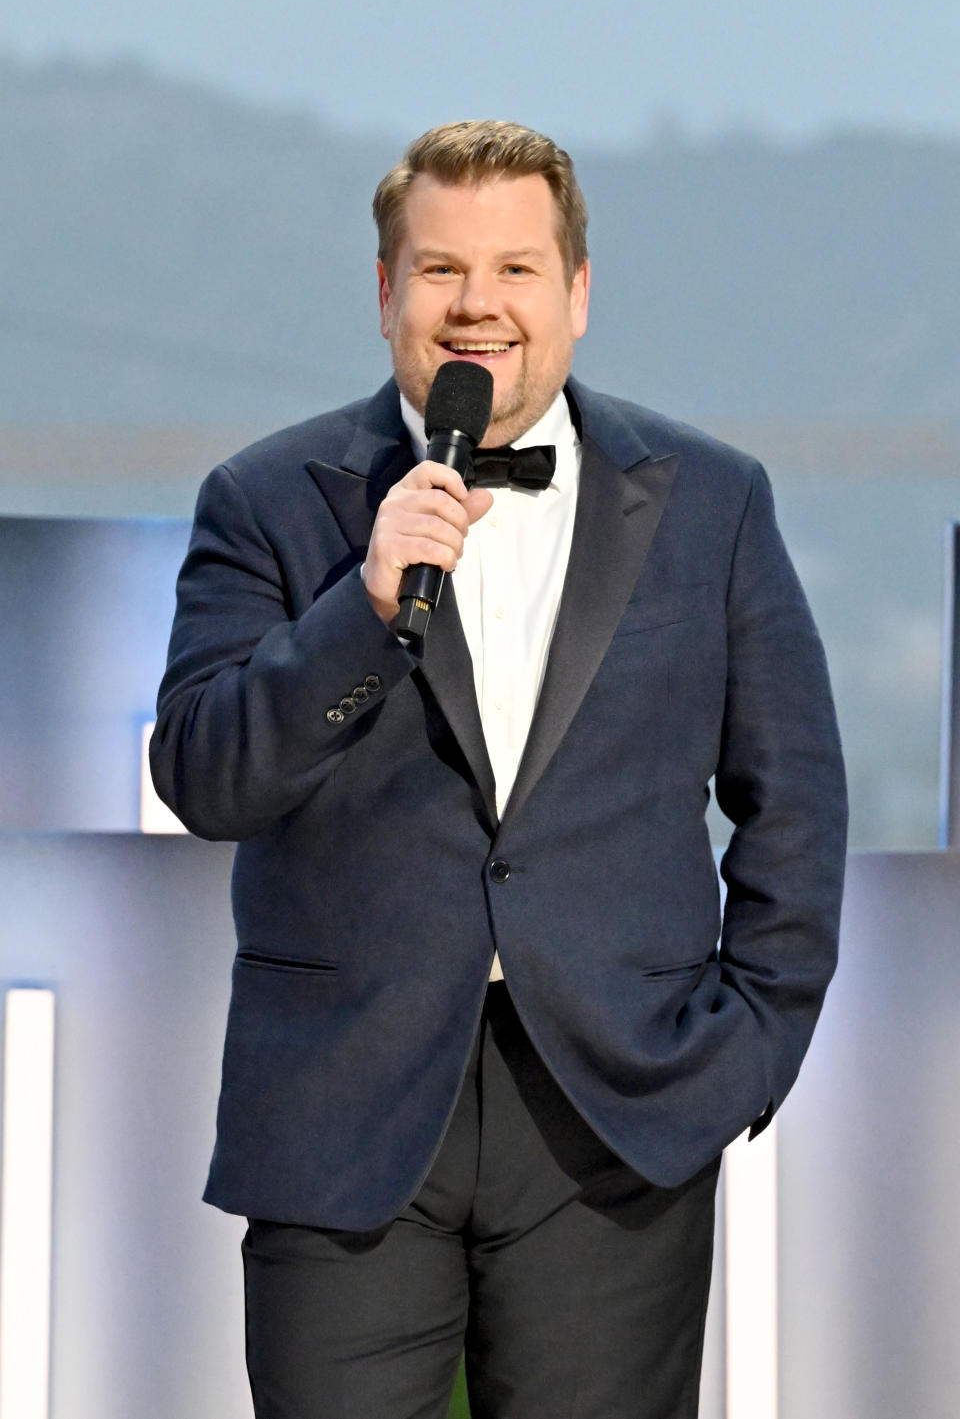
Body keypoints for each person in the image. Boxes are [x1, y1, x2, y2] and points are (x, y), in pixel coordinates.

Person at [151, 120, 847, 1419]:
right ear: (384, 294)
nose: (479, 306)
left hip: (618, 1111)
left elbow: (793, 798)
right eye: (441, 271)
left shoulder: (712, 500)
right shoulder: (266, 498)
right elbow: (207, 775)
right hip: (341, 1112)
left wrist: (746, 1051)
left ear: (578, 292)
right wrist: (359, 608)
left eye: (517, 269)